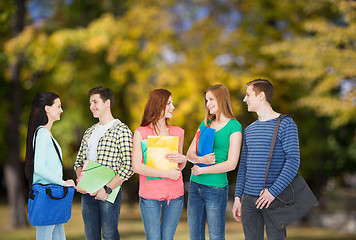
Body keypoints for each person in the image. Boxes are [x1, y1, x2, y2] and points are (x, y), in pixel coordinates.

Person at [232, 79, 300, 240]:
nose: (245, 99)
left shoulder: (286, 124)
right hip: (248, 200)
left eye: (248, 95)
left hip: (274, 199)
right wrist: (237, 197)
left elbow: (293, 161)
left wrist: (273, 192)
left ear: (261, 95)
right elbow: (244, 167)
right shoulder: (249, 130)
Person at [74, 86, 133, 240]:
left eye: (95, 102)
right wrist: (82, 182)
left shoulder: (121, 130)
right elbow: (78, 162)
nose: (91, 106)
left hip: (109, 193)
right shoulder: (89, 132)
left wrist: (106, 189)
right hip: (87, 194)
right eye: (90, 103)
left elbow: (129, 166)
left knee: (109, 235)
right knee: (90, 236)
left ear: (107, 103)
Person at [186, 84, 242, 240]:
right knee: (195, 236)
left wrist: (203, 169)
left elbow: (231, 164)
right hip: (195, 185)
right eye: (206, 100)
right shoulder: (205, 124)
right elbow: (189, 153)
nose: (208, 103)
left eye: (211, 99)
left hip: (216, 189)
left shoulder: (234, 126)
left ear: (221, 99)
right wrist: (200, 160)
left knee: (216, 236)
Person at [131, 89, 187, 240]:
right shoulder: (140, 133)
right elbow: (136, 166)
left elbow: (179, 166)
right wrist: (167, 174)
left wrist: (183, 159)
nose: (173, 107)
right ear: (158, 105)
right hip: (150, 195)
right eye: (169, 103)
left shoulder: (178, 132)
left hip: (175, 194)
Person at [24, 92, 76, 240]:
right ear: (47, 108)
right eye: (58, 106)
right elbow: (39, 168)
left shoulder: (47, 133)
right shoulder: (42, 134)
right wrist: (63, 182)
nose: (61, 110)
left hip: (52, 196)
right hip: (48, 196)